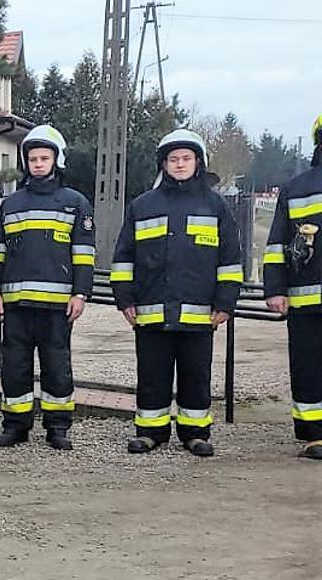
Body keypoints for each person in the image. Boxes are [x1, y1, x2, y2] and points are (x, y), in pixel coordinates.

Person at [111, 129, 242, 456]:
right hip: (151, 310)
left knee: (195, 375)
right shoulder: (142, 206)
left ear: (198, 162)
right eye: (173, 159)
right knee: (152, 374)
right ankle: (150, 432)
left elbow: (229, 259)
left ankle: (195, 433)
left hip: (199, 313)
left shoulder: (216, 207)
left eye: (186, 158)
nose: (180, 164)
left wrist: (225, 301)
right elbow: (124, 255)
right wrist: (124, 298)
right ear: (163, 164)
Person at [0, 126, 94, 450]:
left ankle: (57, 427)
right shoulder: (11, 203)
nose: (38, 164)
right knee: (14, 367)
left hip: (57, 305)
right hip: (16, 304)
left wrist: (80, 293)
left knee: (57, 366)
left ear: (57, 160)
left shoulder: (75, 203)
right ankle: (15, 425)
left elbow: (84, 253)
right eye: (32, 158)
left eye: (44, 158)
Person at [262, 114, 322, 459]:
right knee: (308, 366)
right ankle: (314, 434)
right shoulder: (296, 189)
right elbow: (276, 244)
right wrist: (275, 289)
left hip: (305, 296)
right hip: (305, 296)